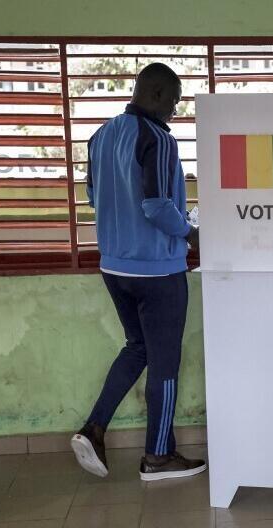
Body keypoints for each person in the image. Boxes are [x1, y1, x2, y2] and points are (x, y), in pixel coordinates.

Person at [70, 63, 206, 482]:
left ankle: (93, 429)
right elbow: (156, 206)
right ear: (159, 93)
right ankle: (159, 456)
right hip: (158, 272)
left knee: (137, 347)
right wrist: (192, 233)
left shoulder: (101, 135)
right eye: (177, 100)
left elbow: (94, 196)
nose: (177, 110)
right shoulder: (158, 139)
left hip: (114, 265)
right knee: (164, 361)